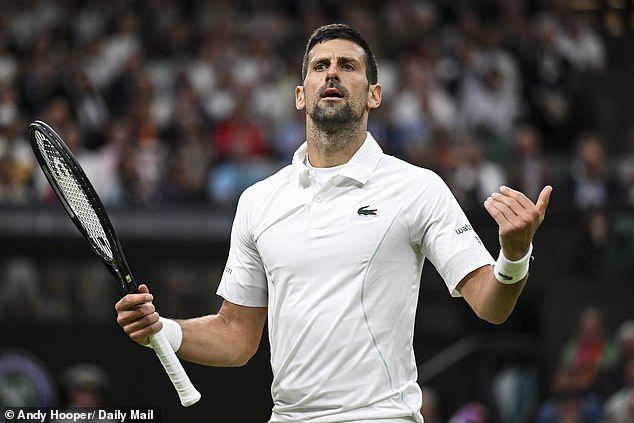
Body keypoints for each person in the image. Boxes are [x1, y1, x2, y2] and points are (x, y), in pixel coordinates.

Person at [115, 24, 552, 422]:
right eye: (320, 66)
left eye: (348, 66)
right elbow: (236, 336)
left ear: (374, 94)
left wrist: (514, 256)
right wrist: (164, 330)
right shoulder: (258, 201)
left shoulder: (418, 188)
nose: (332, 74)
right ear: (301, 94)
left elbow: (490, 305)